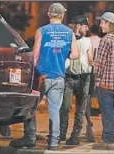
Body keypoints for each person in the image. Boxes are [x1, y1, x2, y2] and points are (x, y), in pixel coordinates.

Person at [34, 3, 79, 150]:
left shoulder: (41, 31)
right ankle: (53, 143)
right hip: (59, 76)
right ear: (62, 15)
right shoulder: (69, 32)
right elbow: (76, 55)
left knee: (31, 108)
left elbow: (35, 56)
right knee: (55, 112)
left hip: (42, 75)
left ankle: (29, 137)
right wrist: (62, 53)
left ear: (49, 14)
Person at [92, 12, 114, 150]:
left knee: (107, 113)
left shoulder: (106, 40)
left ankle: (108, 140)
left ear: (108, 24)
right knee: (111, 112)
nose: (100, 25)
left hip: (105, 83)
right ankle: (109, 138)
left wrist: (95, 75)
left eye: (102, 22)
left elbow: (100, 64)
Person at [60, 15, 94, 145]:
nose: (87, 28)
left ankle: (75, 136)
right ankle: (61, 134)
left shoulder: (88, 41)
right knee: (65, 106)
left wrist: (93, 62)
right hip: (68, 77)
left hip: (84, 77)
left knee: (81, 109)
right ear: (78, 26)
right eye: (85, 26)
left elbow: (90, 57)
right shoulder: (67, 39)